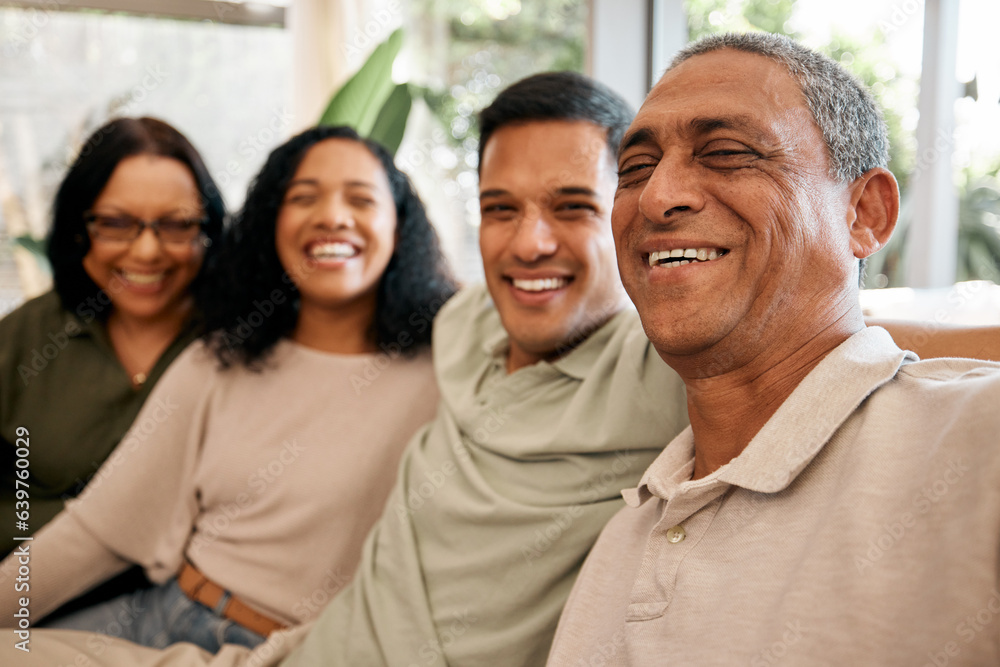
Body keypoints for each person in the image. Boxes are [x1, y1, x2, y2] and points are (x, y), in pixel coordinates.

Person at [2, 71, 998, 667]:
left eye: (572, 205)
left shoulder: (661, 360)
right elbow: (92, 529)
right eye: (497, 207)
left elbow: (812, 328)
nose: (528, 242)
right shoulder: (452, 332)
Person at [547, 32, 1000, 666]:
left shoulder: (978, 441)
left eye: (727, 152)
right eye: (635, 169)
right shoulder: (624, 541)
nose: (656, 196)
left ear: (865, 212)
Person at [0, 125, 456, 653]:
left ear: (400, 225)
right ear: (271, 225)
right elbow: (97, 531)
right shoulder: (221, 356)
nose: (332, 215)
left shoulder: (454, 366)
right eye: (303, 197)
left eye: (362, 198)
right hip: (168, 614)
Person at [0, 117, 225, 557]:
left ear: (208, 231)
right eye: (117, 223)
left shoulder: (247, 341)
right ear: (79, 230)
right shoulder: (23, 339)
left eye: (176, 225)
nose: (147, 250)